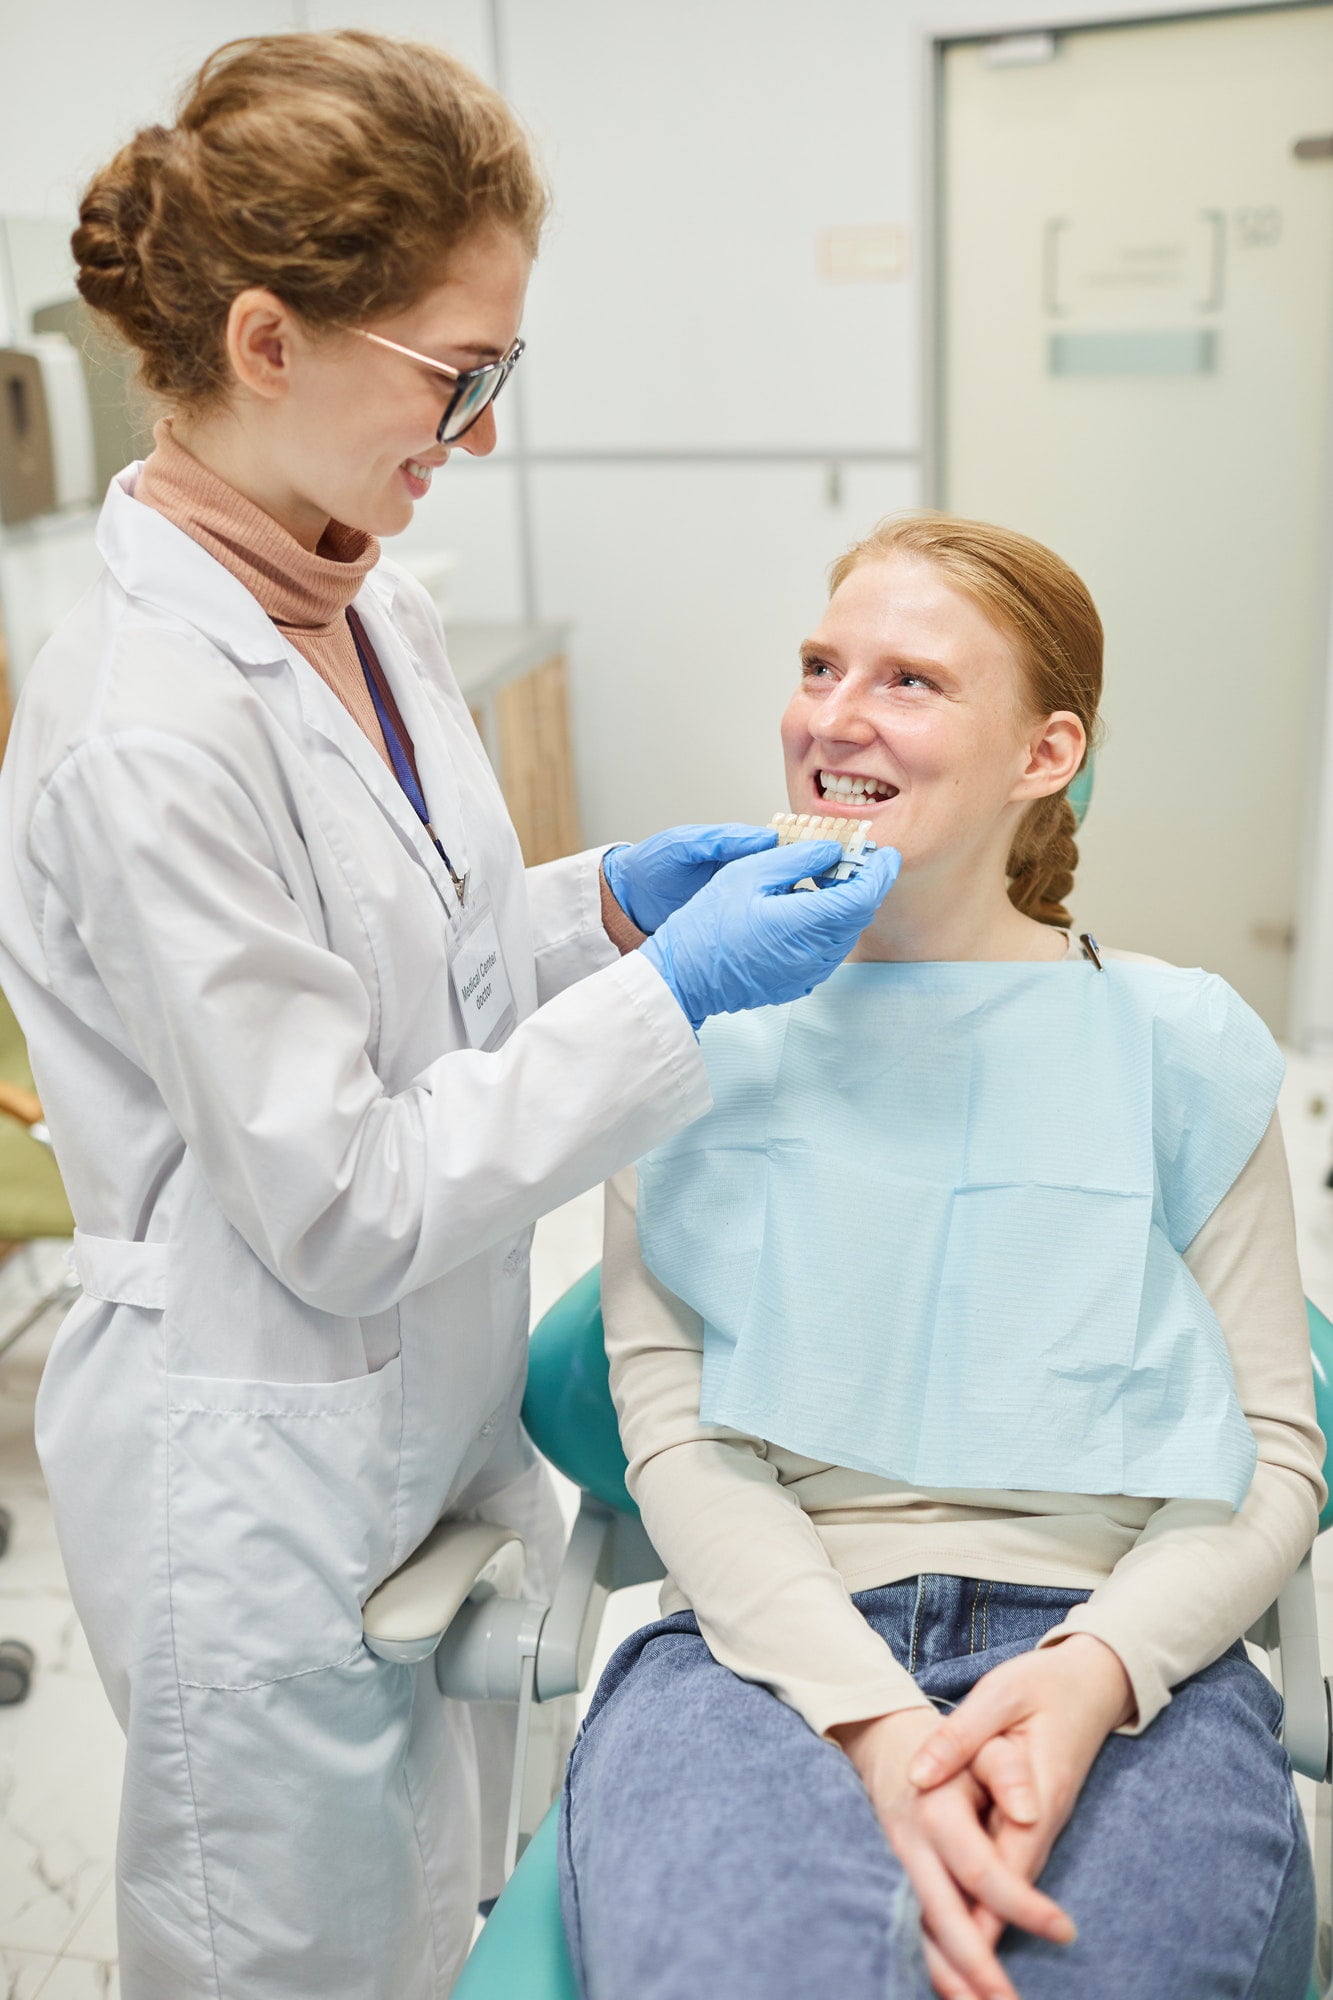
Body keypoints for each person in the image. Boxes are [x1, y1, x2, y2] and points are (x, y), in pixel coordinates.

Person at [0, 33, 900, 2000]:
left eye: (502, 372)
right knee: (291, 1959)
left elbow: (425, 961)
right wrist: (678, 993)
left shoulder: (365, 600)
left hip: (418, 1418)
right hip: (257, 1450)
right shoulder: (145, 724)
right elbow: (342, 1199)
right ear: (264, 339)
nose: (475, 430)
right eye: (453, 372)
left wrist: (604, 905)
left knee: (442, 1923)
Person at [561, 512, 1325, 2000]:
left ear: (1045, 756)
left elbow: (1273, 1457)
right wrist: (872, 1720)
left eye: (908, 681)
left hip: (1119, 1657)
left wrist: (1088, 1676)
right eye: (817, 665)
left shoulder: (1178, 1047)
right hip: (761, 1652)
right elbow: (674, 1444)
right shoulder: (688, 1034)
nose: (832, 719)